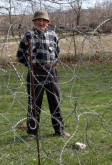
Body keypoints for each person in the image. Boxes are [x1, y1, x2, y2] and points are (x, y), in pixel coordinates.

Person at [16, 10, 70, 141]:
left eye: (44, 21)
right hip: (35, 72)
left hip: (51, 71)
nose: (41, 23)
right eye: (39, 20)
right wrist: (31, 65)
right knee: (34, 103)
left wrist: (49, 64)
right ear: (34, 21)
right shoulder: (28, 35)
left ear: (47, 22)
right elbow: (20, 55)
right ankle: (32, 132)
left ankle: (60, 130)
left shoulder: (53, 35)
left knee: (55, 101)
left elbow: (57, 52)